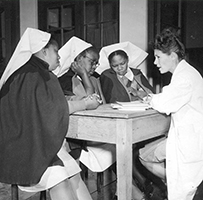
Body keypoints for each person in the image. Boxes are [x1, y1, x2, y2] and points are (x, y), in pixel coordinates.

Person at [0, 28, 100, 200]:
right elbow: (53, 110)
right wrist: (85, 104)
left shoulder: (26, 72)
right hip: (27, 148)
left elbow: (47, 106)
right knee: (60, 178)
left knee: (72, 170)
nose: (60, 57)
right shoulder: (39, 74)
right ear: (44, 51)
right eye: (56, 52)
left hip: (24, 142)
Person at [139, 27, 203, 200]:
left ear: (173, 56)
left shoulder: (184, 77)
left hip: (190, 143)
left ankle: (177, 184)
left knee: (182, 191)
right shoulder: (185, 73)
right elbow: (170, 96)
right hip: (187, 138)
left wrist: (150, 99)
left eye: (158, 57)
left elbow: (165, 102)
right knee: (146, 156)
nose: (155, 62)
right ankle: (172, 182)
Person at [95, 42, 156, 200]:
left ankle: (139, 185)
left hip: (141, 115)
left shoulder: (136, 73)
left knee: (142, 146)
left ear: (128, 60)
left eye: (122, 64)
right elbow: (111, 99)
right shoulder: (108, 76)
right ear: (110, 66)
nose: (120, 68)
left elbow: (151, 93)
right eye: (115, 66)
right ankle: (140, 183)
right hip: (123, 117)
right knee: (126, 147)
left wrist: (138, 92)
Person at [53, 36, 116, 174]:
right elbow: (90, 101)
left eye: (96, 63)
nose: (94, 66)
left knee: (127, 146)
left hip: (93, 127)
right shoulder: (64, 80)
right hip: (74, 134)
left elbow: (99, 102)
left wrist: (85, 75)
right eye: (92, 62)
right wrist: (83, 74)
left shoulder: (94, 79)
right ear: (78, 58)